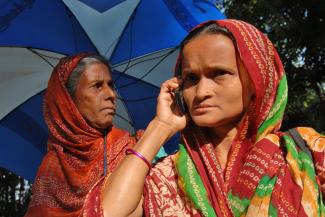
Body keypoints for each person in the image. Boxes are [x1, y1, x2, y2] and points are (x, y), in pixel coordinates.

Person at [101, 19, 325, 217]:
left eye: (219, 73)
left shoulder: (307, 154)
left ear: (257, 79)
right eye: (191, 78)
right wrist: (160, 126)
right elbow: (108, 212)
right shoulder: (167, 175)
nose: (201, 92)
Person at [24, 53, 140, 216]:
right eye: (97, 86)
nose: (111, 95)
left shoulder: (134, 148)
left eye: (110, 85)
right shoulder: (51, 171)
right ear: (68, 101)